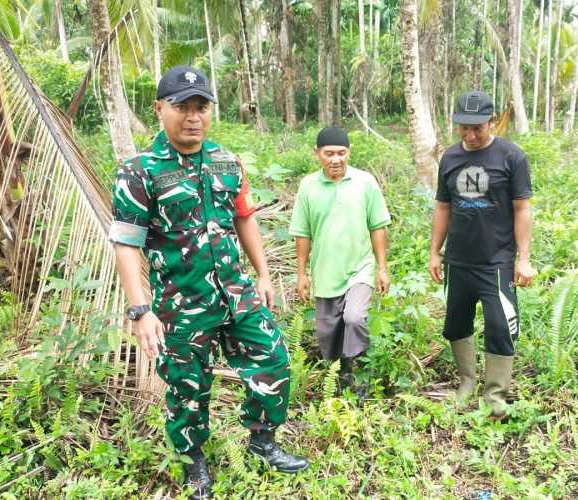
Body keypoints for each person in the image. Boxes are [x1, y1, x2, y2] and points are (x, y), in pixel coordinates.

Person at [109, 66, 308, 500]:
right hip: (180, 307)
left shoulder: (225, 160)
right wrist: (140, 311)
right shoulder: (139, 172)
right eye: (182, 106)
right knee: (187, 389)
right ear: (160, 109)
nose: (193, 116)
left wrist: (263, 273)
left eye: (201, 106)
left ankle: (262, 441)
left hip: (237, 295)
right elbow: (126, 245)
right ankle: (194, 462)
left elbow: (243, 217)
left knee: (273, 360)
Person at [428, 90, 535, 420]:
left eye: (478, 128)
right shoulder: (449, 158)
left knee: (501, 325)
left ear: (492, 122)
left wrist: (524, 258)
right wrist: (435, 252)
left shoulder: (511, 157)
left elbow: (522, 208)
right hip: (459, 260)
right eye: (463, 128)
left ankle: (495, 396)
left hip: (497, 261)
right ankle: (466, 383)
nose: (471, 135)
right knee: (456, 322)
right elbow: (443, 207)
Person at [289, 126, 391, 395]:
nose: (336, 159)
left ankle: (357, 376)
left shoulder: (365, 182)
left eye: (341, 153)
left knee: (354, 317)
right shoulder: (308, 186)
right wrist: (302, 274)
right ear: (317, 154)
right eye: (329, 153)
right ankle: (339, 379)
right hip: (325, 272)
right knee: (328, 332)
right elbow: (302, 233)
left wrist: (382, 268)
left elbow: (378, 226)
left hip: (360, 268)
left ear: (349, 153)